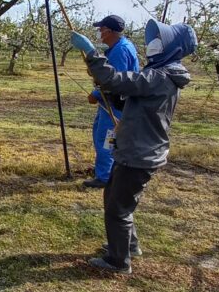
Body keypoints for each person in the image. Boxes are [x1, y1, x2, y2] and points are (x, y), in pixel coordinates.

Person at [70, 18, 197, 274]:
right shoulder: (163, 75)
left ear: (172, 48)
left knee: (118, 208)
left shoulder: (160, 76)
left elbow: (117, 80)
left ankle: (118, 261)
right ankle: (129, 245)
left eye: (159, 41)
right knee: (117, 199)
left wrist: (92, 55)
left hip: (139, 153)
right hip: (136, 149)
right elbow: (128, 91)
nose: (152, 44)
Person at [83, 14, 139, 188]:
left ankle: (105, 177)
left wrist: (96, 94)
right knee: (103, 137)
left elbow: (116, 81)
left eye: (101, 29)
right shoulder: (120, 46)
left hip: (114, 103)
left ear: (108, 31)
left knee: (107, 140)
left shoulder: (120, 50)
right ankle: (104, 171)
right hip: (110, 103)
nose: (99, 33)